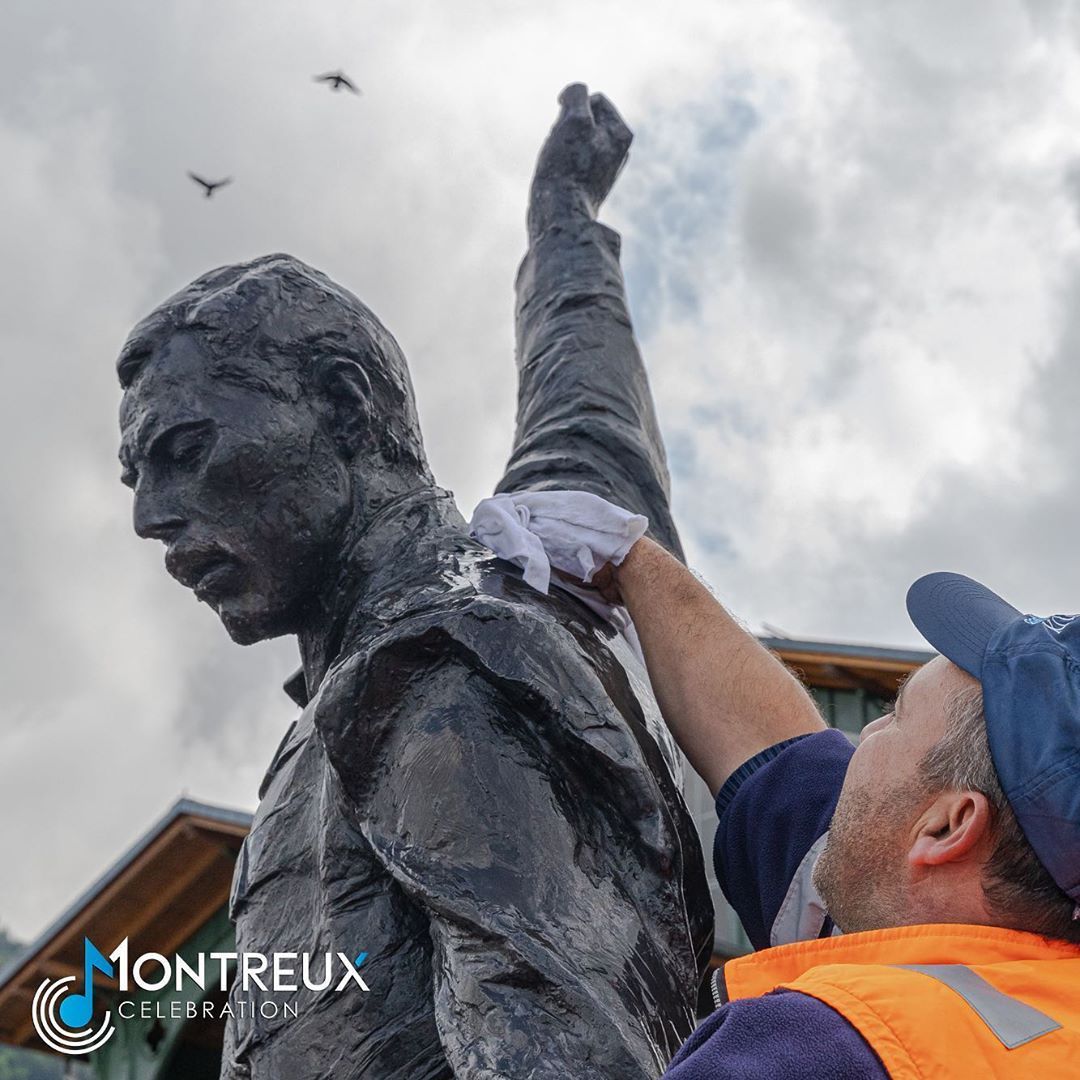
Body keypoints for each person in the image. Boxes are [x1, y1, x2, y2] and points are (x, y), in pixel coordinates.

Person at [114, 86, 712, 1078]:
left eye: (187, 448)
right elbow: (590, 416)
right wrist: (563, 229)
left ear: (347, 409)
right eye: (138, 478)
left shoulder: (432, 676)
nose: (150, 517)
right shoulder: (546, 575)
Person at [584, 533, 1080, 1075]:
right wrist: (628, 554)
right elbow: (769, 749)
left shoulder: (828, 1048)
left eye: (897, 715)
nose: (864, 732)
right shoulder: (1030, 999)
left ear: (946, 827)